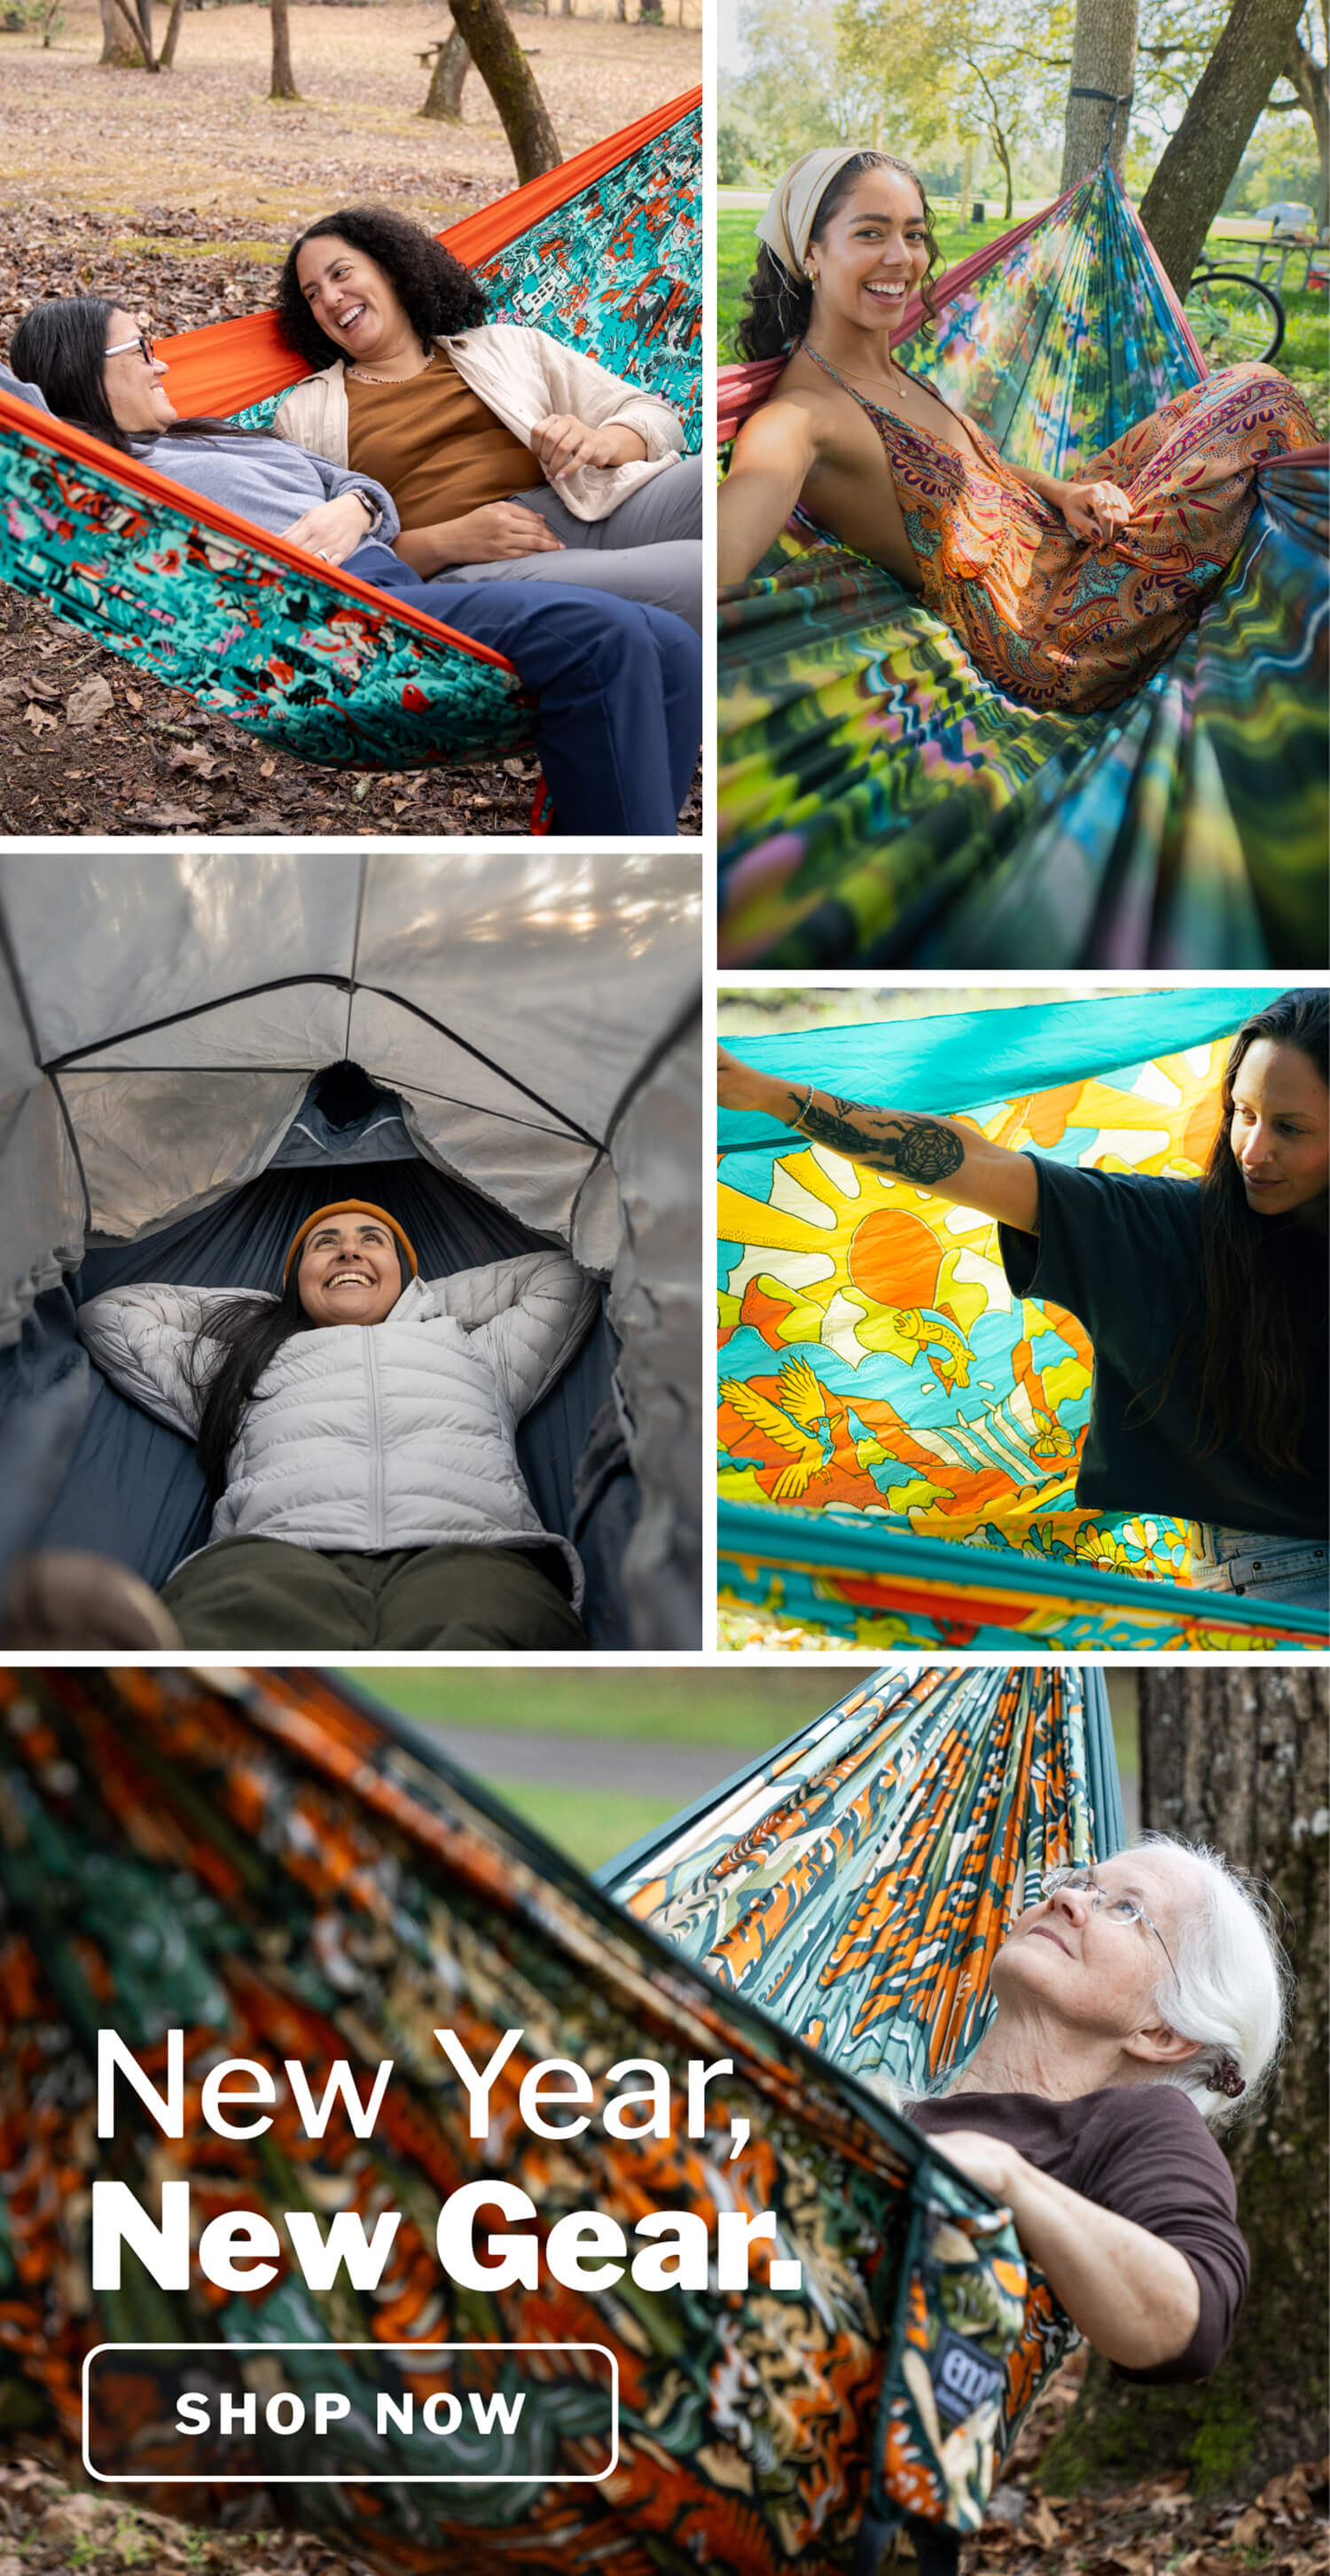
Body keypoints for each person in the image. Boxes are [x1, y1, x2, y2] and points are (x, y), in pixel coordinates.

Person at [717, 988, 1328, 1604]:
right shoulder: (1168, 1227)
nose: (1253, 1151)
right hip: (1266, 1580)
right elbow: (972, 1162)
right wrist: (772, 1096)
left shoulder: (1171, 1226)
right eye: (1243, 1113)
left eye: (1290, 1128)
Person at [7, 299, 701, 836]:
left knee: (673, 644)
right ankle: (630, 885)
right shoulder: (97, 481)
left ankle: (606, 832)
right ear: (78, 368)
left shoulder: (213, 438)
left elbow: (354, 485)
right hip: (332, 630)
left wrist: (356, 508)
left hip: (391, 593)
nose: (162, 365)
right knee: (604, 639)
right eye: (142, 349)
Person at [716, 148, 1317, 714]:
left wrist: (1063, 490)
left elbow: (974, 474)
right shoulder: (798, 418)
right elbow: (718, 563)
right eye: (870, 233)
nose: (901, 258)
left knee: (1225, 394)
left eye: (914, 234)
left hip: (1063, 534)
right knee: (1260, 396)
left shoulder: (891, 372)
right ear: (811, 254)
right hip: (1057, 633)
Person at [862, 1835, 1285, 2573]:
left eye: (1126, 1910)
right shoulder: (881, 2108)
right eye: (1080, 1881)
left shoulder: (1132, 2122)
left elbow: (1191, 2318)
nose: (1067, 1899)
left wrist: (1010, 2179)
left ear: (1162, 2032)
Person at [74, 1201, 597, 1650]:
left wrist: (418, 1300)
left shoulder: (475, 1350)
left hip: (470, 1550)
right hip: (276, 1554)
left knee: (484, 1641)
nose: (349, 1251)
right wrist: (264, 1312)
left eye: (372, 1241)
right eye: (325, 1244)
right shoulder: (241, 1365)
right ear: (297, 1278)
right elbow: (112, 1315)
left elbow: (563, 1277)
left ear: (406, 1274)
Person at [271, 205, 704, 633]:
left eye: (341, 273)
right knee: (694, 572)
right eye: (313, 294)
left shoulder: (503, 346)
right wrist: (449, 541)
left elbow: (658, 419)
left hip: (588, 504)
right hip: (473, 569)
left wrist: (600, 441)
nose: (330, 298)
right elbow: (322, 556)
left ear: (391, 270)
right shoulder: (306, 412)